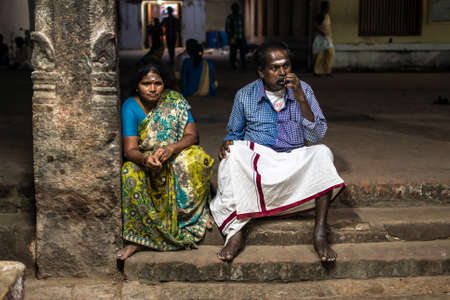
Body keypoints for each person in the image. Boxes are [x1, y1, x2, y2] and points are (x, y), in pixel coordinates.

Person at [210, 42, 344, 263]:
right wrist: (227, 144)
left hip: (293, 160)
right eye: (274, 68)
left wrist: (300, 97)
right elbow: (233, 133)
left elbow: (316, 135)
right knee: (232, 154)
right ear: (261, 72)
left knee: (322, 153)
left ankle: (320, 231)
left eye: (286, 66)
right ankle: (235, 231)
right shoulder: (245, 95)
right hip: (260, 163)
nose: (282, 72)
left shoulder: (304, 89)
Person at [117, 61, 214, 260]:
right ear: (137, 85)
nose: (152, 89)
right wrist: (146, 159)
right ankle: (138, 238)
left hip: (173, 156)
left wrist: (171, 148)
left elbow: (192, 136)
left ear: (164, 84)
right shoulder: (130, 107)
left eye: (157, 83)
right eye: (146, 84)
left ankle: (195, 217)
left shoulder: (174, 100)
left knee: (195, 157)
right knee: (128, 173)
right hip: (147, 161)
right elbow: (130, 150)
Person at [313, 1, 334, 76]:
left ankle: (327, 71)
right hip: (320, 38)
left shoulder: (327, 16)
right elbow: (315, 26)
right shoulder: (320, 16)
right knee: (320, 55)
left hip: (327, 38)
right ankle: (317, 71)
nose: (328, 9)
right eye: (327, 7)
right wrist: (321, 32)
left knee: (330, 54)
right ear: (323, 8)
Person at [225, 3, 246, 69]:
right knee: (233, 52)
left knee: (242, 52)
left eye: (237, 9)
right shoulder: (230, 17)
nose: (236, 10)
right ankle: (232, 65)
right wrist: (230, 37)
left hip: (240, 37)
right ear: (232, 9)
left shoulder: (241, 17)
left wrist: (243, 36)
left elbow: (242, 27)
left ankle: (243, 65)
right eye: (235, 9)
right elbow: (227, 28)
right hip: (233, 38)